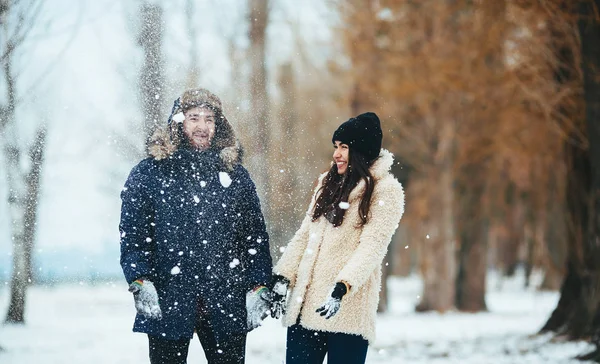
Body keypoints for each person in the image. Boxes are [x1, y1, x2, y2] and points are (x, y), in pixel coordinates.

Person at [119, 88, 273, 364]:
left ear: (218, 124)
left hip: (226, 300)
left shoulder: (234, 175)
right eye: (194, 118)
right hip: (169, 298)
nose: (202, 126)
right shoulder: (150, 173)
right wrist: (139, 278)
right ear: (179, 122)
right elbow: (133, 235)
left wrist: (259, 285)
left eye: (209, 119)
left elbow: (255, 238)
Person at [270, 112, 405, 364]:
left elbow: (373, 245)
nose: (337, 154)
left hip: (346, 311)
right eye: (336, 147)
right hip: (306, 306)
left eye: (344, 147)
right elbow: (304, 235)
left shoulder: (386, 190)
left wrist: (342, 286)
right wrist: (283, 277)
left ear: (362, 151)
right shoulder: (328, 182)